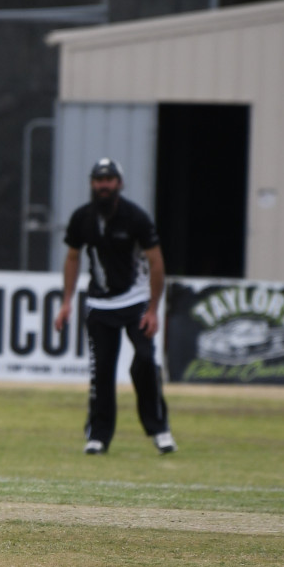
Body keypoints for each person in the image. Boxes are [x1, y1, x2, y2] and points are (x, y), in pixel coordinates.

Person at [56, 158, 175, 455]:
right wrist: (66, 302)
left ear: (119, 183)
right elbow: (72, 258)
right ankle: (98, 435)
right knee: (102, 373)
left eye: (109, 180)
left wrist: (152, 309)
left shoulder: (136, 217)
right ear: (92, 184)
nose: (103, 185)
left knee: (146, 361)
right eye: (98, 180)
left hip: (136, 303)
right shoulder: (82, 217)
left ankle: (159, 429)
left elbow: (156, 261)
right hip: (99, 305)